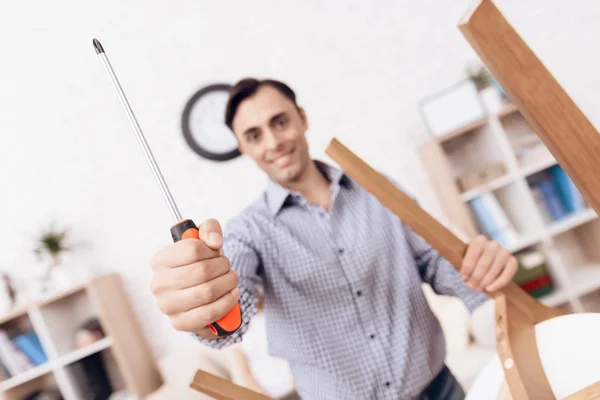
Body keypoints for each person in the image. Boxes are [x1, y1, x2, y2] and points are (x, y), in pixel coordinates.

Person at [150, 78, 518, 400]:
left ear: (302, 118)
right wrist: (206, 310)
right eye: (254, 135)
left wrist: (482, 273)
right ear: (242, 147)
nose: (273, 141)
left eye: (280, 122)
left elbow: (435, 265)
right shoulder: (247, 232)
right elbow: (234, 311)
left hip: (441, 389)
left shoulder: (380, 188)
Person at [226, 290, 298, 399]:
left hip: (297, 386)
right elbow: (242, 373)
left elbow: (297, 349)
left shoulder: (278, 314)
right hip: (265, 394)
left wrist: (300, 380)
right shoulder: (234, 334)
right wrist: (262, 396)